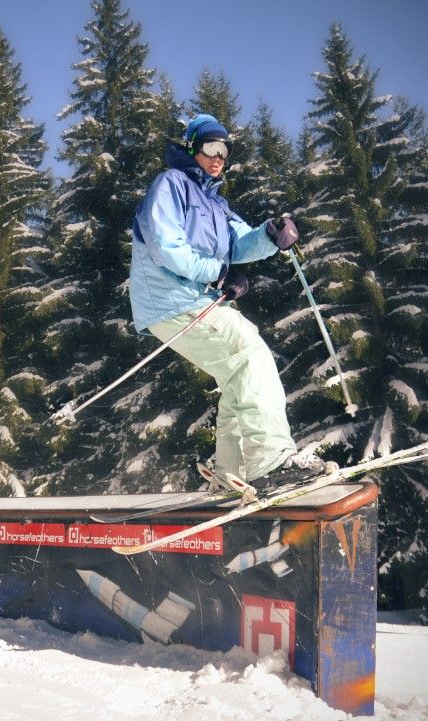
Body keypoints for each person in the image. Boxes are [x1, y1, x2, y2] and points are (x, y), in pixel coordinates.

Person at [129, 114, 333, 490]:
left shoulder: (215, 204)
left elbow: (240, 243)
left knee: (237, 373)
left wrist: (271, 235)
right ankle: (270, 461)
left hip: (194, 300)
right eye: (210, 147)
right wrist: (217, 274)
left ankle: (232, 471)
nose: (218, 156)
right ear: (192, 148)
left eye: (224, 149)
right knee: (250, 353)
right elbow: (165, 245)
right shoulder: (171, 185)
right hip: (170, 298)